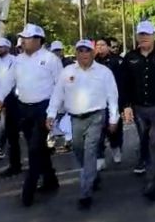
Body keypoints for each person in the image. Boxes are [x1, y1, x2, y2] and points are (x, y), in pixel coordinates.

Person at [0, 23, 63, 207]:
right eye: (22, 38)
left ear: (39, 40)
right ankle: (50, 180)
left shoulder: (50, 59)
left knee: (33, 149)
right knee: (39, 148)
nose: (23, 41)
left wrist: (54, 111)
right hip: (24, 108)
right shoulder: (17, 60)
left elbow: (60, 85)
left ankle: (28, 190)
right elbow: (8, 81)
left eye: (28, 37)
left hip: (44, 108)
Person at [46, 40, 119, 209]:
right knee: (79, 149)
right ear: (76, 53)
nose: (84, 54)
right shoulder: (67, 72)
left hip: (96, 117)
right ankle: (92, 174)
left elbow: (112, 96)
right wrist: (51, 114)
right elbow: (57, 95)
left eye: (87, 51)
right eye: (80, 51)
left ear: (93, 53)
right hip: (75, 118)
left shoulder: (104, 72)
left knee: (90, 151)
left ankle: (85, 192)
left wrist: (113, 118)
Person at [120, 21, 155, 201]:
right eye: (141, 34)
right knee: (144, 138)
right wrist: (126, 105)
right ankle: (151, 165)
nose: (143, 37)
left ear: (154, 35)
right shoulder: (130, 57)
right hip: (139, 108)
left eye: (147, 34)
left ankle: (151, 181)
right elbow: (124, 84)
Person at [0, 38, 23, 178]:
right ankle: (14, 164)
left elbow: (18, 81)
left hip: (15, 101)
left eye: (1, 46)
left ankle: (18, 163)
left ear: (8, 47)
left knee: (14, 134)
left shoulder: (15, 61)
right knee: (8, 132)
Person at [95, 38, 124, 167]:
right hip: (96, 101)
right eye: (98, 45)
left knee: (114, 128)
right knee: (97, 130)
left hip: (113, 100)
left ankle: (116, 147)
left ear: (108, 46)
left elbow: (123, 83)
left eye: (103, 45)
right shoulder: (92, 61)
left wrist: (124, 104)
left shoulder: (117, 61)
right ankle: (99, 156)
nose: (100, 47)